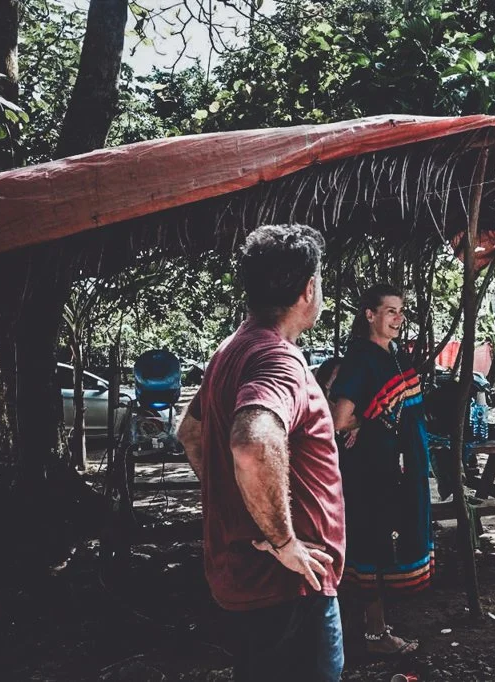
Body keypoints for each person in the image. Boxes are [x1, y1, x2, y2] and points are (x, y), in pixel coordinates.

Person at [176, 224, 346, 682]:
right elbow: (252, 443)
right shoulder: (277, 359)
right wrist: (284, 541)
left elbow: (190, 431)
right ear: (309, 289)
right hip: (289, 588)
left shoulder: (231, 349)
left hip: (248, 580)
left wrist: (239, 502)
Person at [329, 284, 432, 657]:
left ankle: (373, 625)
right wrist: (360, 424)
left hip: (399, 467)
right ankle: (376, 634)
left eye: (401, 311)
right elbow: (341, 418)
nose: (398, 319)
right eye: (390, 311)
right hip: (375, 469)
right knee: (373, 545)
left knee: (385, 545)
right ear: (369, 315)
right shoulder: (362, 358)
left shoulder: (394, 354)